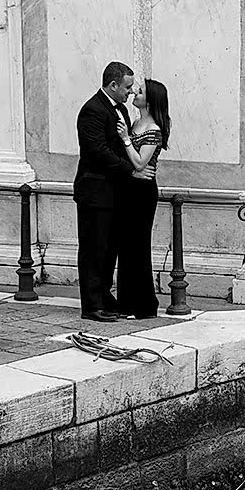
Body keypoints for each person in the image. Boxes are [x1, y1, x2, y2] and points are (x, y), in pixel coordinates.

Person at [73, 62, 137, 320]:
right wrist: (130, 168)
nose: (130, 93)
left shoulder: (120, 108)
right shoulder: (92, 110)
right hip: (95, 191)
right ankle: (92, 306)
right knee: (93, 249)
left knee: (109, 248)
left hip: (113, 192)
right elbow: (97, 151)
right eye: (127, 87)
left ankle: (105, 298)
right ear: (113, 85)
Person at [112, 79, 169, 319]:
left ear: (151, 99)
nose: (135, 92)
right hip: (130, 189)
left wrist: (125, 138)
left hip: (143, 193)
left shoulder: (153, 129)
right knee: (126, 246)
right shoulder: (136, 122)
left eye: (141, 91)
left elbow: (139, 162)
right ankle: (126, 303)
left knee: (138, 246)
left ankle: (145, 305)